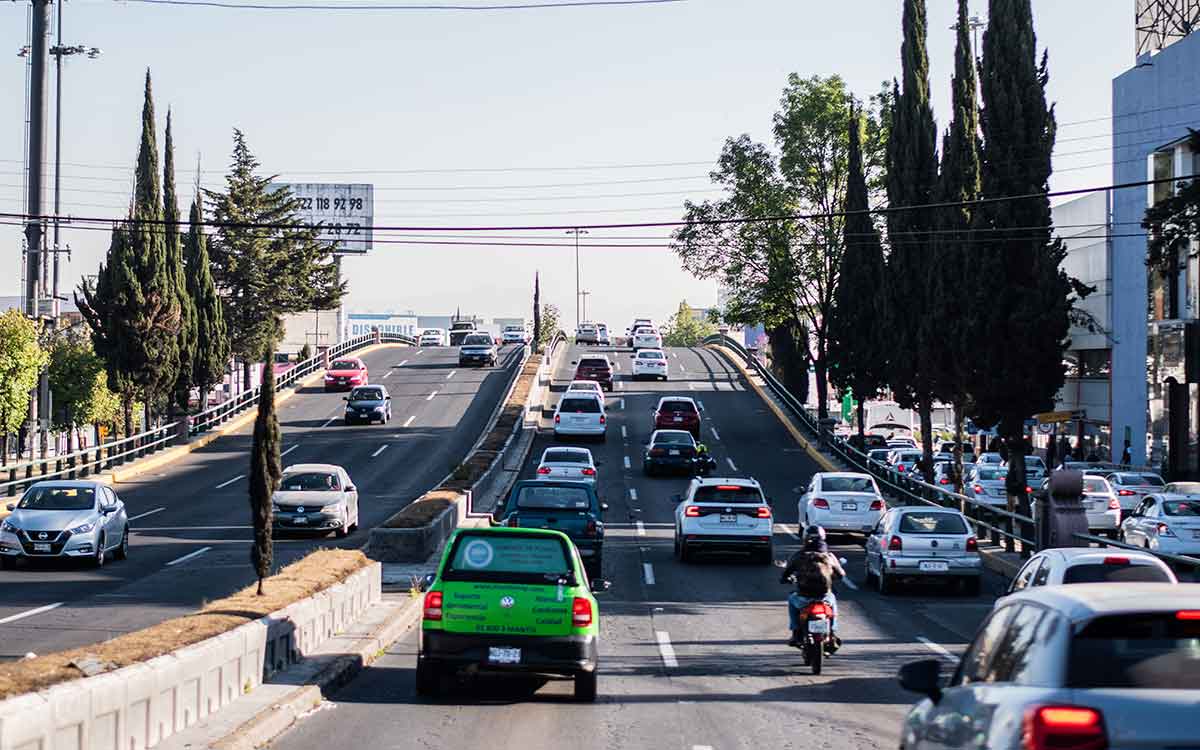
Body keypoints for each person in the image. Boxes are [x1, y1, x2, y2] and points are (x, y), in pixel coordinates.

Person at [779, 525, 845, 649]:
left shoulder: (798, 556)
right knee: (833, 603)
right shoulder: (829, 556)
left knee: (791, 600)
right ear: (823, 537)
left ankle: (795, 632)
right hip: (824, 597)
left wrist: (785, 579)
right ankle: (832, 632)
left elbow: (785, 574)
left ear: (805, 538)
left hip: (803, 597)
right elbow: (841, 574)